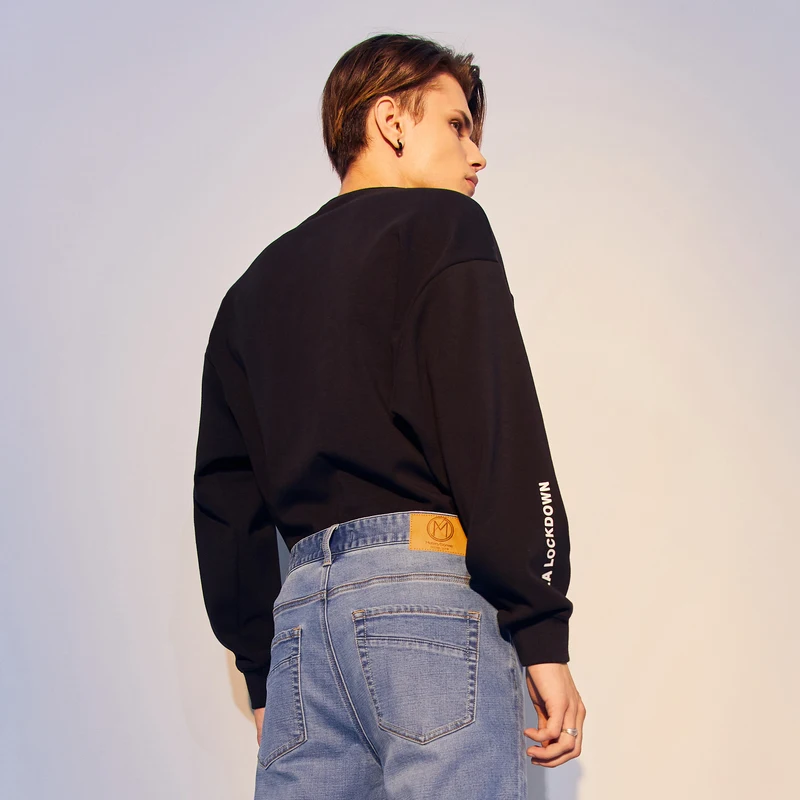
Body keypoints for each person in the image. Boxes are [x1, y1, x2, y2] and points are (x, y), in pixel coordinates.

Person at [193, 32, 585, 799]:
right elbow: (494, 430)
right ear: (390, 121)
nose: (477, 155)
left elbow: (226, 500)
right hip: (426, 601)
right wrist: (542, 628)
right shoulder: (442, 228)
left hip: (302, 627)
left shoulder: (251, 290)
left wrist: (262, 667)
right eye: (457, 125)